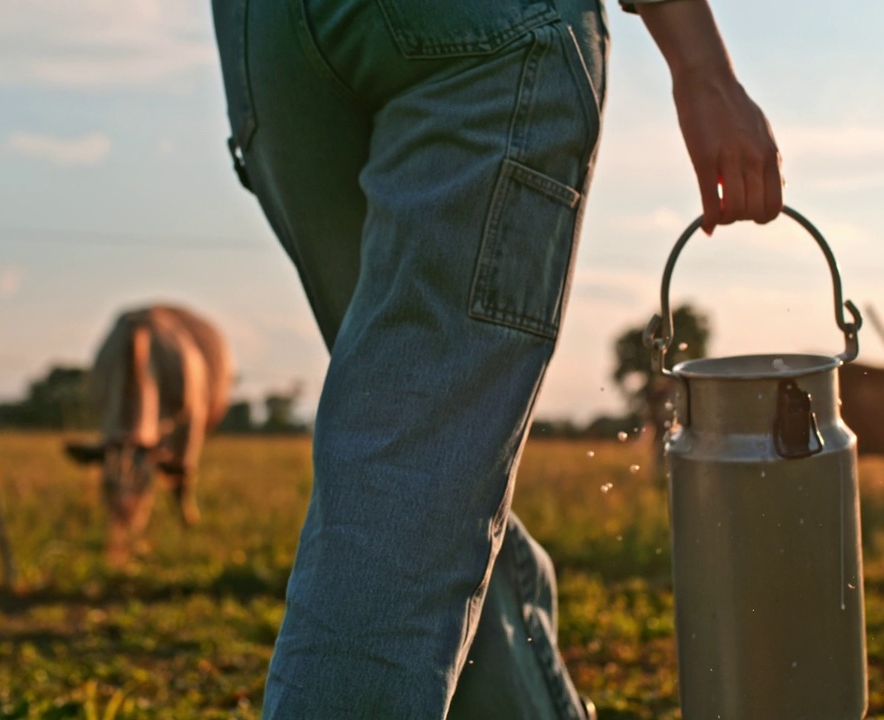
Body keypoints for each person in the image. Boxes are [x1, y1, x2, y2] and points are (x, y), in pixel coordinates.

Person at [210, 0, 782, 717]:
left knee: (425, 467)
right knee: (411, 470)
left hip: (268, 39)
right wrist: (701, 62)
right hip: (470, 27)